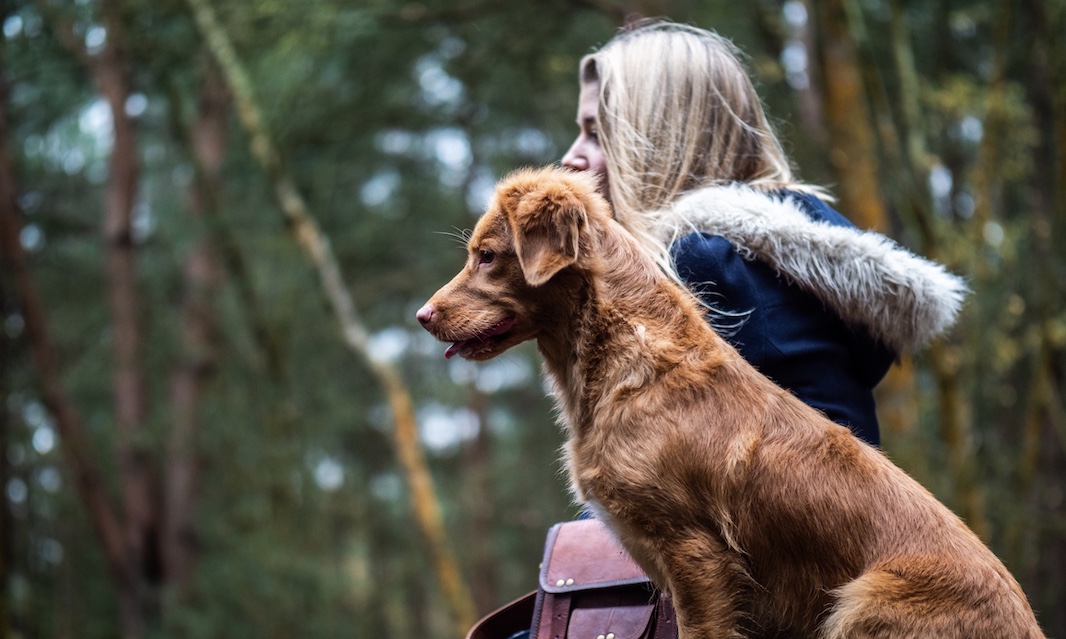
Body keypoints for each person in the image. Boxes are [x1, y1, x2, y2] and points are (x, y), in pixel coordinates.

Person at [472, 18, 967, 639]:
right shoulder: (784, 264)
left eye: (596, 132)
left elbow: (709, 535)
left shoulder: (701, 266)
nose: (572, 155)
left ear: (660, 139)